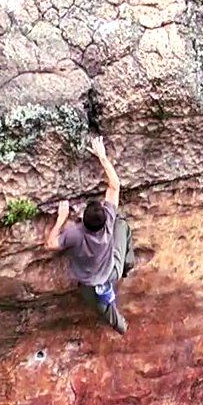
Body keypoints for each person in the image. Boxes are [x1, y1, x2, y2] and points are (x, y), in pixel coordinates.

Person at [46, 136, 135, 334]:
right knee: (124, 226)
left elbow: (50, 244)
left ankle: (122, 327)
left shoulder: (75, 234)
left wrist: (61, 219)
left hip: (89, 284)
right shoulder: (110, 221)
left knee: (106, 312)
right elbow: (115, 185)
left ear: (83, 220)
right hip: (112, 270)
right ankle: (127, 265)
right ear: (104, 219)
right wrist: (102, 157)